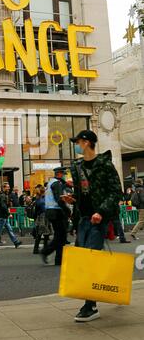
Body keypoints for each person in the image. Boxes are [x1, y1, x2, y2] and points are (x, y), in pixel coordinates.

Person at [65, 129, 122, 323]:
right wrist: (72, 198)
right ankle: (110, 287)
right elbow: (84, 193)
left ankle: (91, 305)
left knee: (91, 259)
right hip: (83, 217)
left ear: (87, 142)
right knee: (83, 259)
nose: (76, 145)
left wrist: (102, 212)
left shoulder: (105, 164)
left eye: (78, 141)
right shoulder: (77, 166)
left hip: (99, 219)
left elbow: (116, 192)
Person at [41, 167, 70, 265]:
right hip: (57, 211)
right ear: (59, 174)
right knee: (60, 235)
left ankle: (59, 259)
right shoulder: (57, 184)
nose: (64, 176)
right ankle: (46, 251)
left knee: (60, 235)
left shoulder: (51, 183)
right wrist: (68, 210)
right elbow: (59, 199)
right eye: (63, 174)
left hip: (51, 211)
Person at [0, 182, 22, 249]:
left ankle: (15, 241)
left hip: (3, 215)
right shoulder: (3, 195)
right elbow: (3, 206)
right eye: (7, 187)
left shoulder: (3, 194)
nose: (9, 188)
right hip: (2, 215)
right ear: (4, 188)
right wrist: (8, 213)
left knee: (9, 229)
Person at [33, 185, 51, 254]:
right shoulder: (44, 200)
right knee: (45, 233)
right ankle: (44, 248)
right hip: (44, 217)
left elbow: (36, 211)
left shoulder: (38, 200)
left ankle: (36, 248)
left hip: (40, 217)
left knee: (39, 234)